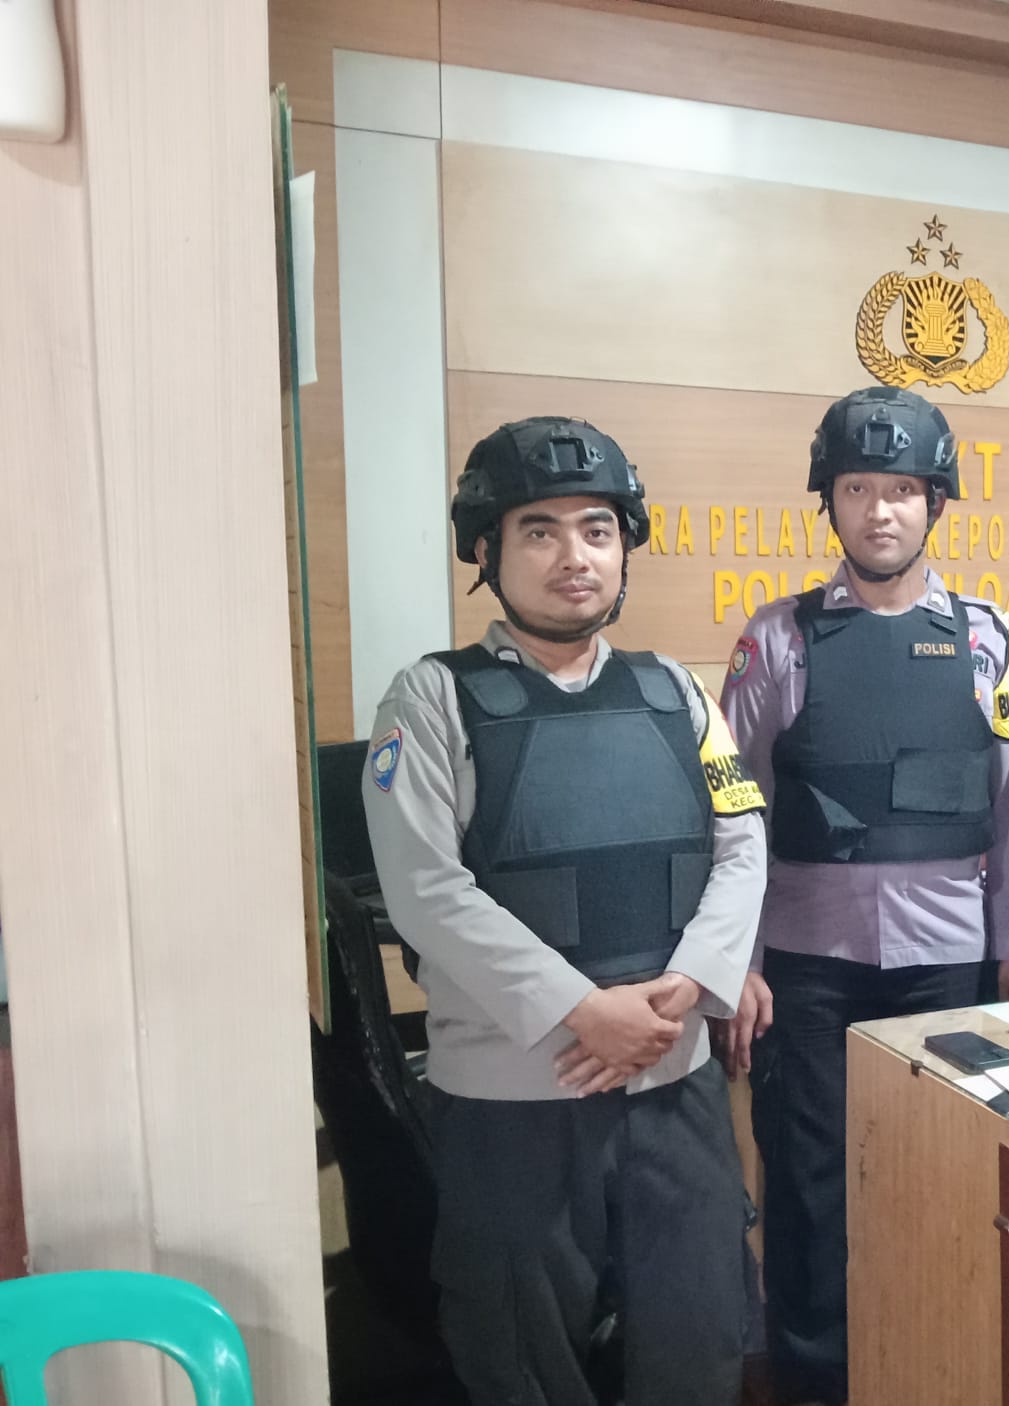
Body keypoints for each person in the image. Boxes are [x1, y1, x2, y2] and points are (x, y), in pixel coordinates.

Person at [362, 416, 767, 1406]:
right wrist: (582, 1010)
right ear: (487, 551)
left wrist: (687, 985)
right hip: (513, 1102)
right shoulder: (429, 700)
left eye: (596, 529)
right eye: (537, 530)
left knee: (702, 1337)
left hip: (674, 1084)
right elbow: (425, 889)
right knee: (521, 1359)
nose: (573, 556)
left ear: (624, 547)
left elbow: (741, 840)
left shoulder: (676, 690)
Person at [719, 386, 1009, 1406]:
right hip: (809, 972)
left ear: (934, 502)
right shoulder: (776, 640)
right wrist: (739, 963)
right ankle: (817, 1387)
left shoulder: (990, 640)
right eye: (858, 489)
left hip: (949, 971)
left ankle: (935, 1374)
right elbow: (734, 810)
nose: (880, 511)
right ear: (830, 501)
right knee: (810, 1194)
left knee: (945, 1186)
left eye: (900, 490)